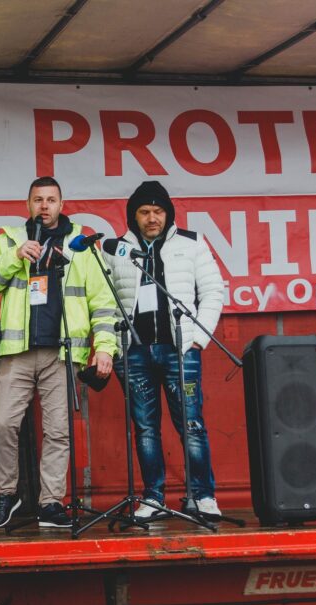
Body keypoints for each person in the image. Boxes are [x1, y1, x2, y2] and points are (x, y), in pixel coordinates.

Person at [0, 176, 118, 528]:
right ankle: (7, 494)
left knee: (58, 431)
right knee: (3, 421)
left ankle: (51, 503)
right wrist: (13, 257)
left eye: (51, 200)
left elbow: (103, 301)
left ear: (61, 203)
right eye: (38, 199)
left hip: (62, 353)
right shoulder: (11, 240)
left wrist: (106, 347)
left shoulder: (82, 243)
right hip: (18, 351)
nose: (44, 206)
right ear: (28, 204)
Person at [101, 180, 224, 520]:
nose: (152, 218)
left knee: (191, 423)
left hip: (179, 350)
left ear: (168, 214)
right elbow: (103, 300)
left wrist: (199, 336)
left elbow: (213, 290)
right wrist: (112, 344)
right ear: (133, 216)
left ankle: (203, 496)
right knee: (145, 428)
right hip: (134, 352)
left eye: (158, 211)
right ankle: (153, 498)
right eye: (144, 212)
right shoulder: (114, 249)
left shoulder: (191, 243)